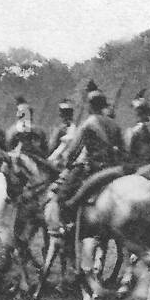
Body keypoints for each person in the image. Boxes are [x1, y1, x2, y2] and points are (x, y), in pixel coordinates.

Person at [49, 80, 126, 225]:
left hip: (93, 168)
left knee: (62, 196)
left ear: (90, 106)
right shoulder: (115, 124)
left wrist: (68, 164)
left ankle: (67, 227)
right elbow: (124, 151)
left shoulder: (88, 123)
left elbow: (73, 151)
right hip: (115, 168)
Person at [123, 90, 150, 180]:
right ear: (149, 112)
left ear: (135, 112)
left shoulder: (132, 132)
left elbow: (127, 153)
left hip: (140, 171)